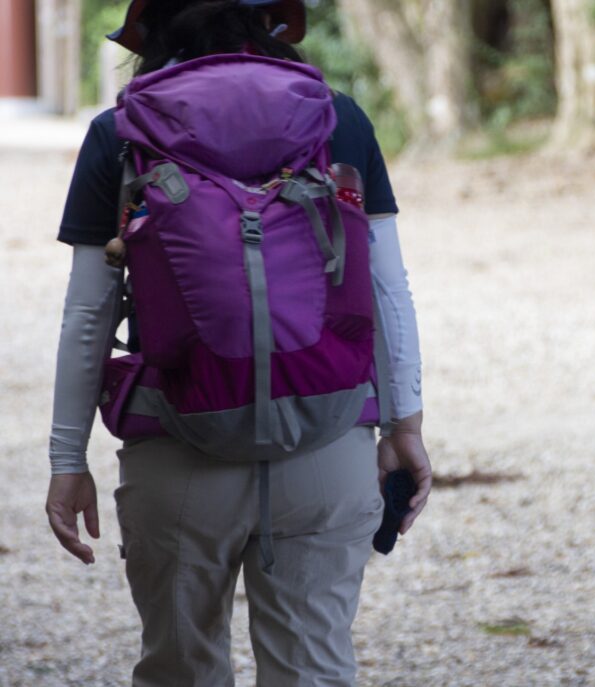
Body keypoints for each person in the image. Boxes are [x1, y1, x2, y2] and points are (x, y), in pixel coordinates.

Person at [44, 1, 431, 685]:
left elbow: (87, 315)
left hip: (177, 443)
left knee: (180, 670)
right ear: (275, 22)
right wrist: (404, 424)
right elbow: (388, 288)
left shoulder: (119, 132)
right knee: (311, 669)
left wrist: (67, 457)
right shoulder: (337, 118)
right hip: (325, 439)